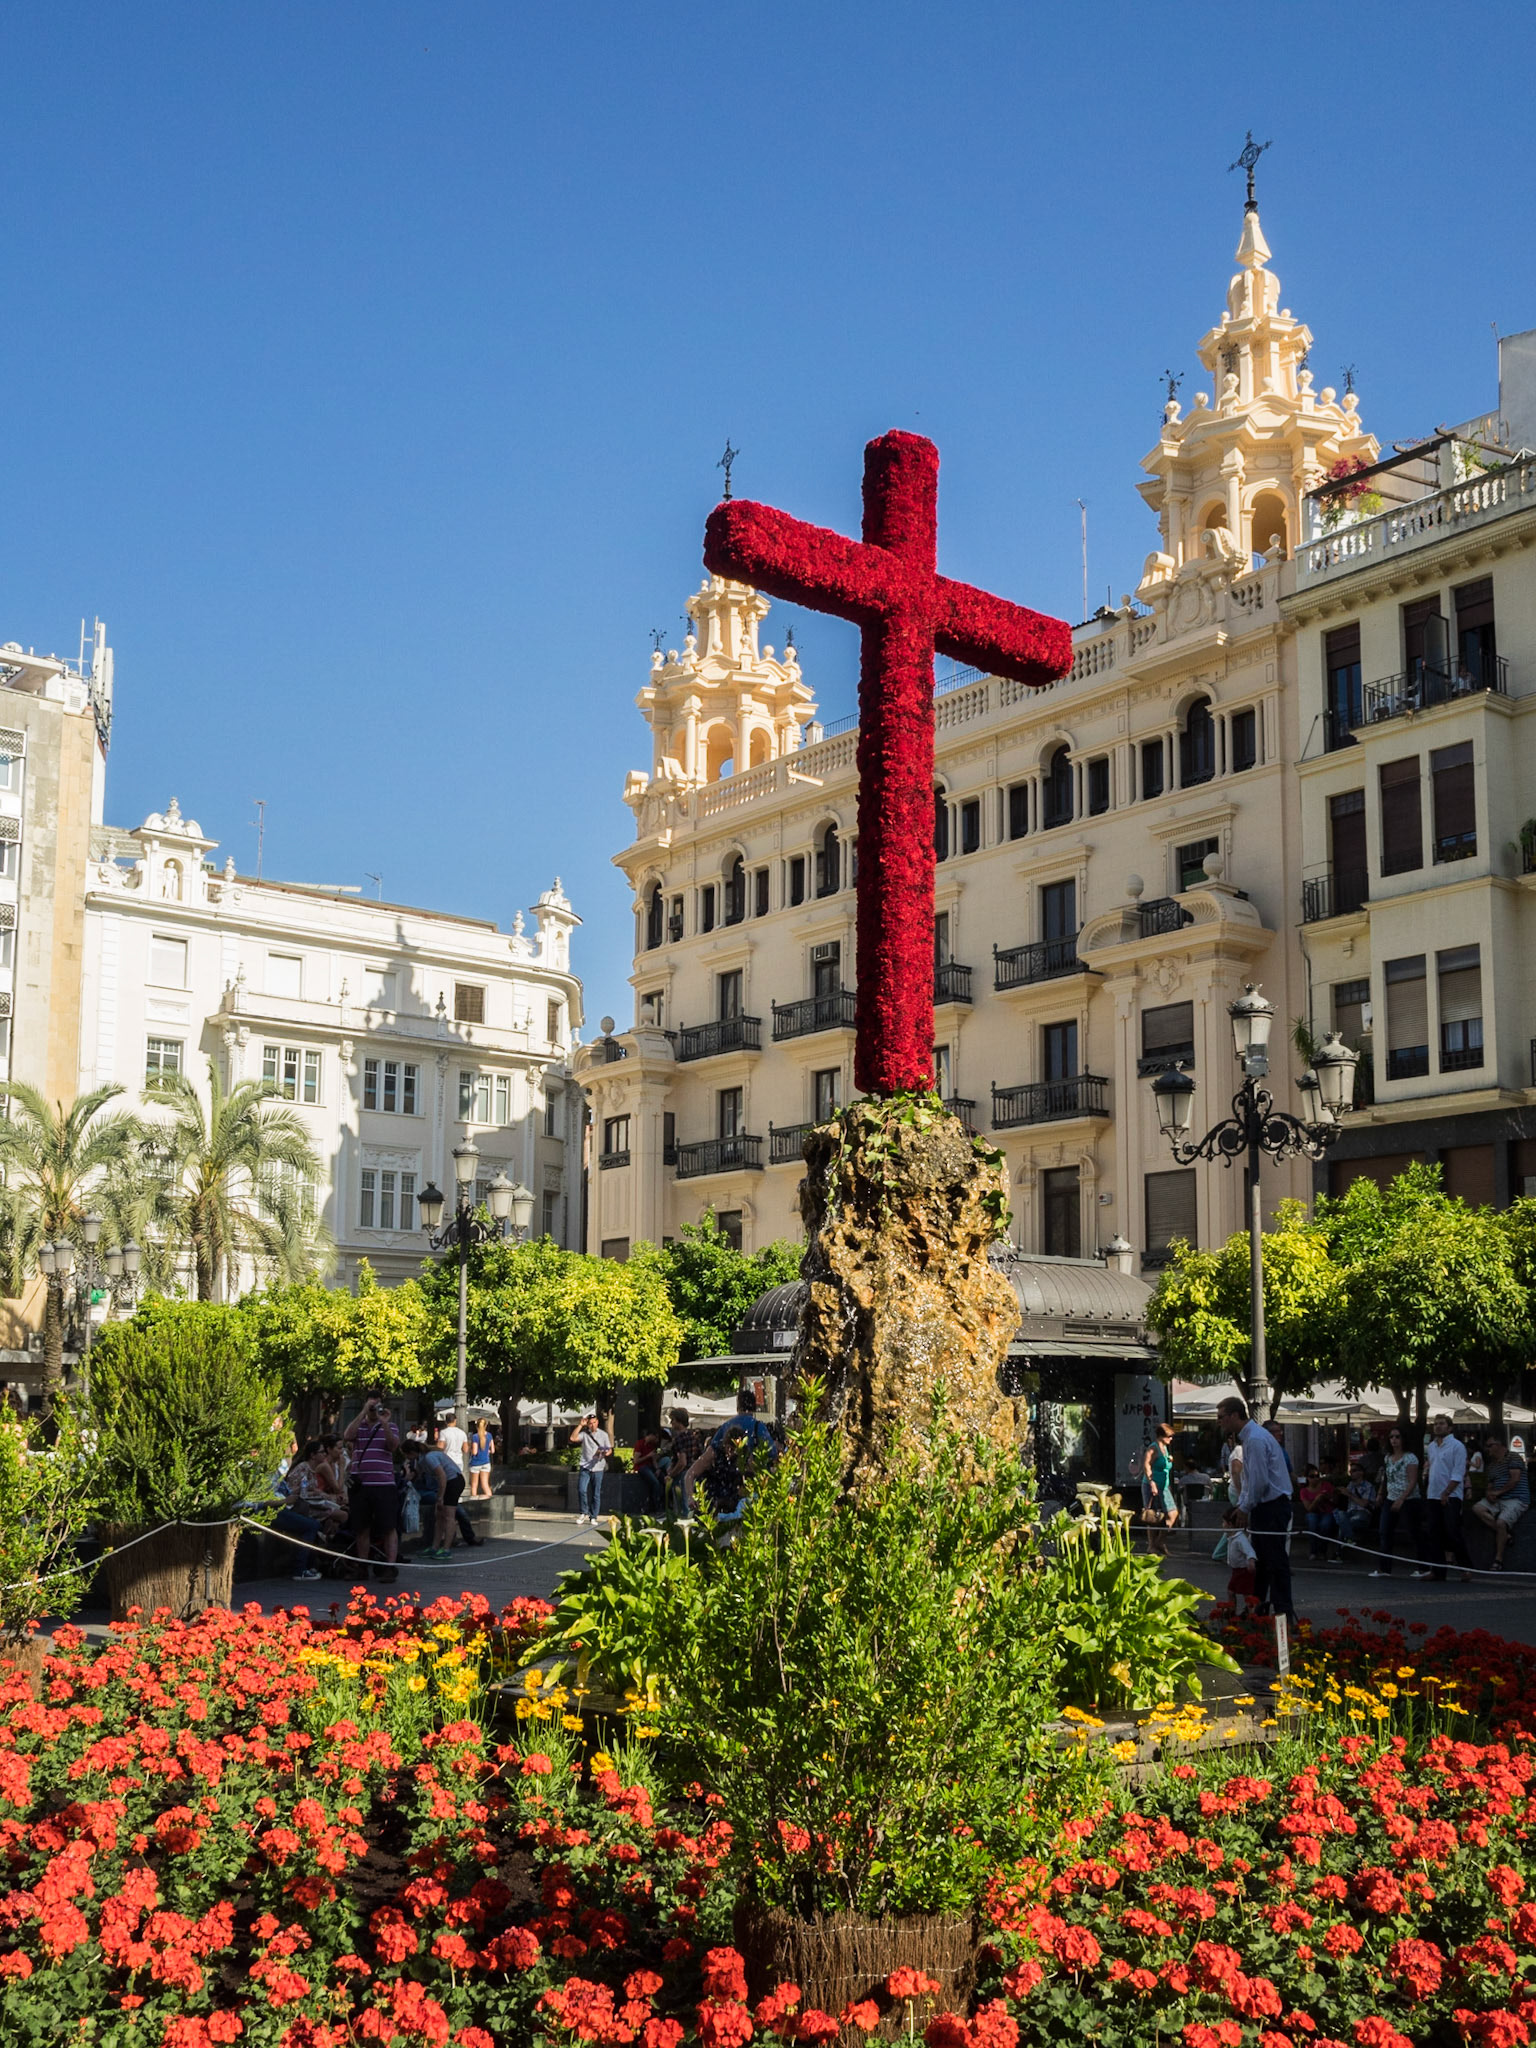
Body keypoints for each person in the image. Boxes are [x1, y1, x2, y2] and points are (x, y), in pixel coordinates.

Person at [1216, 1396, 1296, 1625]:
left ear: (1233, 1416)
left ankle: (1283, 1614)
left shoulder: (1256, 1440)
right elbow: (1251, 1481)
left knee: (1275, 1562)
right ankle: (1257, 1608)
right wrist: (1243, 1505)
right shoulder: (1252, 1438)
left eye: (1221, 1417)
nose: (1219, 1422)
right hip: (1265, 1506)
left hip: (1272, 1506)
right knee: (1262, 1562)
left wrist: (1245, 1507)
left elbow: (1259, 1482)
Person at [345, 1395, 403, 1582]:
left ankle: (389, 1567)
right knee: (361, 1527)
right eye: (370, 1405)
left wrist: (384, 1422)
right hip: (361, 1485)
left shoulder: (391, 1426)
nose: (373, 1409)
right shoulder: (359, 1426)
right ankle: (362, 1566)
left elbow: (393, 1446)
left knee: (388, 1527)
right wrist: (363, 1412)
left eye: (375, 1405)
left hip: (384, 1485)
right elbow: (347, 1436)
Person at [1415, 1415, 1473, 1582]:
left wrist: (1447, 1492)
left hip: (1451, 1495)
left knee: (1452, 1531)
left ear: (1450, 1428)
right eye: (1436, 1424)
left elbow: (1458, 1472)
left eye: (1442, 1424)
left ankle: (1465, 1567)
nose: (1438, 1427)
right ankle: (1438, 1570)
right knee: (1434, 1532)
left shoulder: (1457, 1446)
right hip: (1433, 1494)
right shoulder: (1432, 1446)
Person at [1471, 1433, 1530, 1571]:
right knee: (1477, 1508)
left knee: (1501, 1522)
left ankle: (1498, 1559)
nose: (1487, 1449)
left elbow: (1514, 1479)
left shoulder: (1513, 1457)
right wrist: (1489, 1493)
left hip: (1516, 1499)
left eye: (1489, 1446)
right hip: (1498, 1499)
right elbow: (1490, 1484)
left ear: (1498, 1445)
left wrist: (1498, 1492)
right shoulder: (1492, 1466)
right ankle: (1506, 1535)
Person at [1369, 1428, 1420, 1578]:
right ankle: (1385, 1568)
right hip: (1390, 1497)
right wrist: (1380, 1493)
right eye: (1391, 1437)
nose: (1394, 1440)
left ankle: (1422, 1567)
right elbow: (1386, 1478)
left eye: (1397, 1437)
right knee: (1384, 1532)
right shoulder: (1388, 1457)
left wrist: (1402, 1499)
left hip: (1409, 1499)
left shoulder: (1410, 1458)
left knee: (1414, 1532)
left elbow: (1412, 1481)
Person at [414, 1433, 466, 1558]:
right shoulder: (422, 1460)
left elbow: (442, 1477)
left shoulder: (429, 1457)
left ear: (411, 1453)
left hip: (454, 1481)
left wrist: (440, 1497)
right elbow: (418, 1475)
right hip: (449, 1482)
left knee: (448, 1515)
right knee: (439, 1515)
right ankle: (435, 1547)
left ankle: (446, 1549)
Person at [1298, 1464, 1346, 1563]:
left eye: (1317, 1476)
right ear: (1307, 1478)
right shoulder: (1304, 1491)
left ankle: (1322, 1551)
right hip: (1313, 1512)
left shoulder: (1326, 1485)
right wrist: (1316, 1500)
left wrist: (1328, 1497)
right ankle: (1313, 1551)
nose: (1315, 1479)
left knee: (1325, 1524)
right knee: (1312, 1522)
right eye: (1312, 1476)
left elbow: (1335, 1501)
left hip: (1327, 1512)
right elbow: (1309, 1509)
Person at [571, 1413, 612, 1526]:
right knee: (581, 1489)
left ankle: (593, 1516)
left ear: (597, 1422)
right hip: (585, 1466)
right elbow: (573, 1438)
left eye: (594, 1423)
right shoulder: (584, 1434)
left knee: (596, 1493)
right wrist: (580, 1425)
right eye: (590, 1423)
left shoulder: (603, 1435)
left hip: (598, 1466)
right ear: (587, 1424)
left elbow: (609, 1449)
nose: (593, 1425)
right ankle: (583, 1512)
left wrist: (604, 1453)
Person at [1144, 1423, 1178, 1555]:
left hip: (1164, 1486)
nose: (1171, 1439)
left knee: (1172, 1513)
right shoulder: (1153, 1448)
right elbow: (1146, 1465)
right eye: (1169, 1436)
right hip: (1151, 1485)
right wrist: (1151, 1482)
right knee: (1152, 1515)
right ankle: (1152, 1545)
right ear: (1161, 1436)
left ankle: (1160, 1541)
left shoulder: (1164, 1448)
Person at [1223, 1508, 1257, 1617]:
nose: (1222, 1525)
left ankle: (1252, 1615)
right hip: (1236, 1570)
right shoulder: (1231, 1537)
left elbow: (1249, 1551)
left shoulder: (1240, 1538)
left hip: (1243, 1571)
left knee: (1247, 1595)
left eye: (1223, 1522)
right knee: (1231, 1591)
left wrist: (1251, 1560)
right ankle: (1232, 1612)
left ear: (1229, 1524)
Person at [1342, 1460, 1379, 1548]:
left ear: (1361, 1473)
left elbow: (1364, 1504)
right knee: (1339, 1514)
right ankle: (1349, 1540)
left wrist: (1349, 1494)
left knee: (1344, 1523)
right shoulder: (1350, 1485)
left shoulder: (1368, 1486)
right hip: (1350, 1512)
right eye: (1350, 1471)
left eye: (1354, 1471)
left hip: (1363, 1513)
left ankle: (1338, 1554)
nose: (1351, 1473)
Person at [631, 1427, 664, 1513]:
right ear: (651, 1435)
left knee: (663, 1479)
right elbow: (636, 1461)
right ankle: (655, 1506)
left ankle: (662, 1502)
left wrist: (657, 1469)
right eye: (655, 1437)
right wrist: (647, 1456)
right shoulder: (640, 1444)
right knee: (655, 1483)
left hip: (650, 1466)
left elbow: (653, 1460)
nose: (656, 1440)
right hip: (642, 1467)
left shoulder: (652, 1446)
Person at [467, 1419, 494, 1500]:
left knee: (474, 1485)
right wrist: (486, 1451)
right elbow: (492, 1450)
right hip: (486, 1463)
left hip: (475, 1463)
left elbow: (475, 1452)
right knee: (485, 1484)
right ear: (486, 1426)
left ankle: (473, 1504)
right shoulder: (489, 1435)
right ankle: (490, 1502)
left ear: (476, 1426)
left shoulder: (475, 1436)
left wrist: (470, 1449)